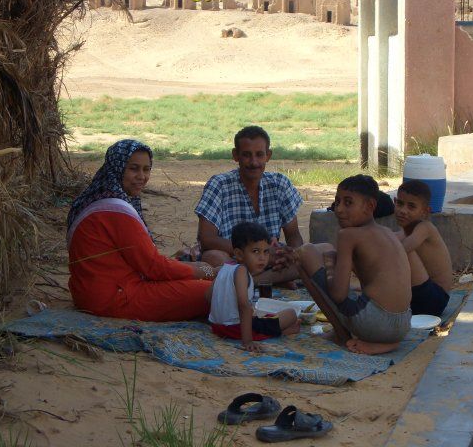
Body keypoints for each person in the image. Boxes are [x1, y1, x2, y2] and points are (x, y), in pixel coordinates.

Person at [66, 139, 215, 322]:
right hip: (114, 297)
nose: (142, 176)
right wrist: (204, 271)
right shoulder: (114, 210)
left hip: (93, 292)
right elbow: (153, 268)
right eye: (134, 169)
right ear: (117, 168)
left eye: (146, 169)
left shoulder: (100, 199)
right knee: (213, 291)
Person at [291, 174, 412, 355]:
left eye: (348, 203)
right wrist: (331, 257)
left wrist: (330, 266)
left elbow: (338, 295)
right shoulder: (385, 232)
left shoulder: (348, 235)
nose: (339, 209)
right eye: (337, 202)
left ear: (370, 206)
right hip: (403, 323)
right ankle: (388, 343)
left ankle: (341, 335)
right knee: (326, 249)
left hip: (376, 323)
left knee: (304, 253)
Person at [195, 126, 304, 284]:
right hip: (234, 259)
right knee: (213, 257)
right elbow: (207, 239)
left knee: (318, 251)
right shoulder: (219, 184)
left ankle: (249, 282)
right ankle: (264, 280)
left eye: (259, 155)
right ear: (235, 155)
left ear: (268, 155)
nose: (254, 162)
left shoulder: (280, 183)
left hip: (269, 259)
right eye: (246, 155)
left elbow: (293, 235)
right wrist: (256, 254)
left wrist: (291, 255)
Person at [206, 222, 300, 352]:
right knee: (291, 314)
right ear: (239, 254)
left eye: (266, 252)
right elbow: (244, 306)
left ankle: (281, 329)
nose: (262, 258)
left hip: (217, 327)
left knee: (264, 316)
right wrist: (247, 340)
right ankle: (280, 330)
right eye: (255, 251)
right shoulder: (241, 271)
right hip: (235, 328)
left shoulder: (224, 268)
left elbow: (208, 295)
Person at [394, 180, 453, 316]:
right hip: (419, 296)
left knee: (402, 252)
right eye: (400, 204)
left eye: (411, 206)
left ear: (425, 212)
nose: (403, 211)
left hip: (434, 300)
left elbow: (400, 251)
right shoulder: (406, 231)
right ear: (394, 202)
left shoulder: (425, 228)